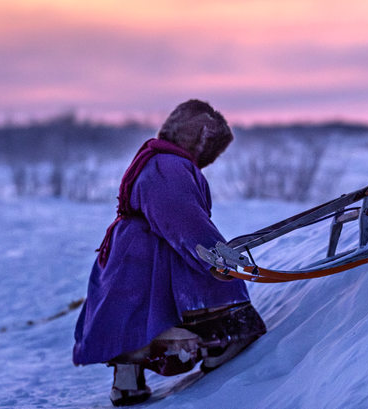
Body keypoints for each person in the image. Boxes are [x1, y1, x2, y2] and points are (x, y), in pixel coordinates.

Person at [73, 100, 266, 406]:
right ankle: (220, 347)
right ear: (200, 143)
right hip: (148, 254)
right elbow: (183, 219)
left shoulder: (156, 159)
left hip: (129, 254)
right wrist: (218, 254)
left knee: (131, 314)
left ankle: (126, 383)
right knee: (209, 287)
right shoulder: (169, 165)